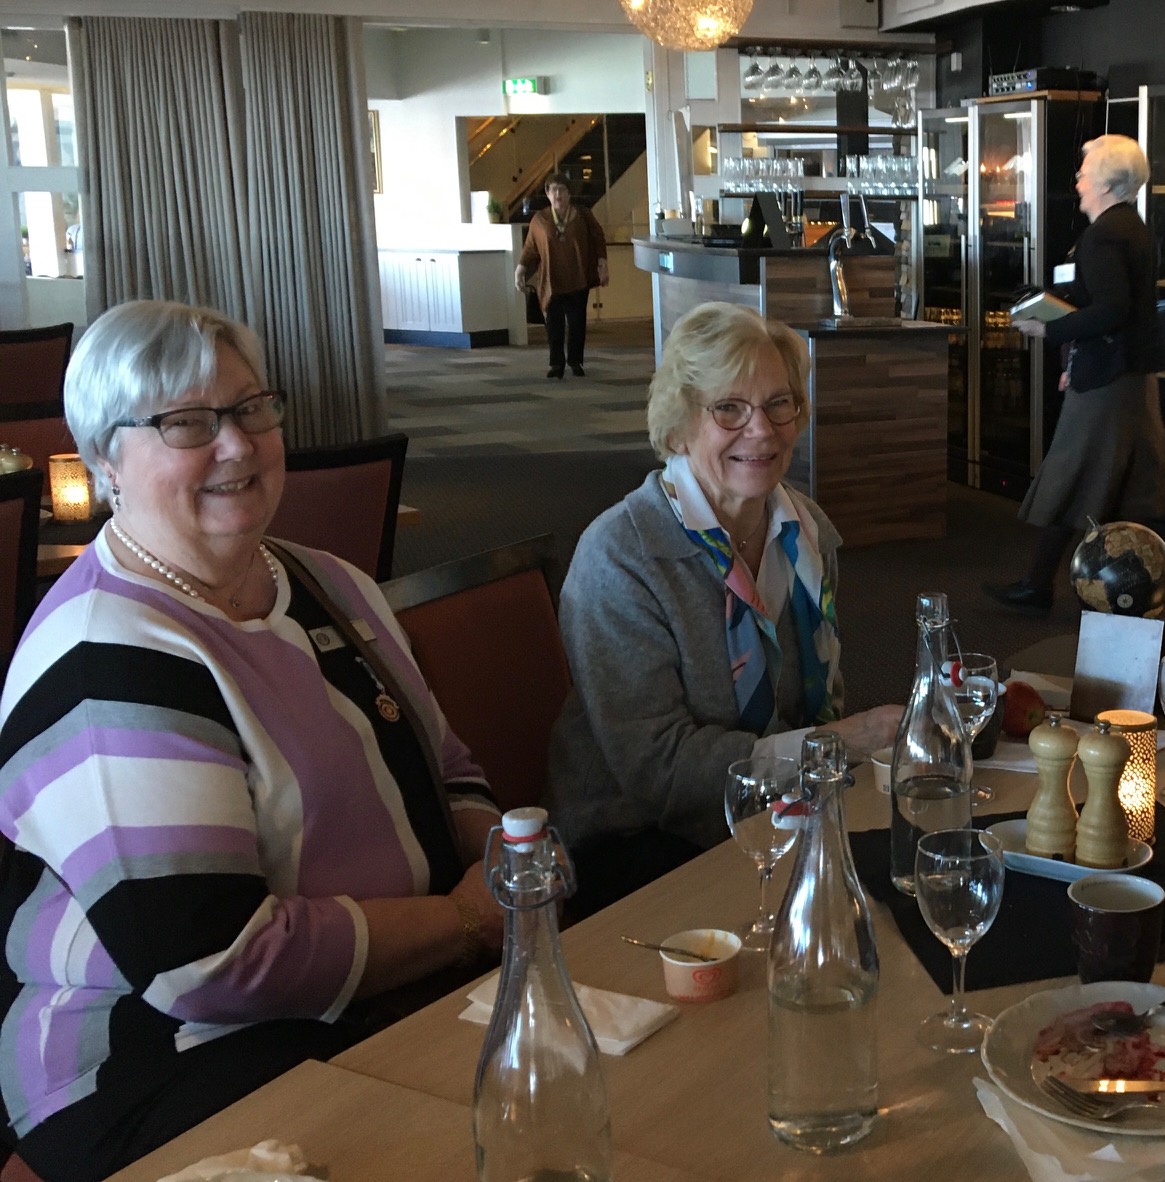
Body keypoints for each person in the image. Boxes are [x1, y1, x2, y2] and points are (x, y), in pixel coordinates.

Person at [0, 301, 507, 1182]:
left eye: (249, 408)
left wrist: (509, 865)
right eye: (186, 423)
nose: (235, 445)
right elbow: (211, 964)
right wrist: (465, 922)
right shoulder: (105, 659)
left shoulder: (328, 581)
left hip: (392, 986)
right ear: (107, 461)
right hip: (163, 1056)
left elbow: (447, 771)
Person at [547, 302, 899, 914]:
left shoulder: (808, 532)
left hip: (778, 814)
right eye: (729, 408)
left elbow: (820, 703)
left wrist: (826, 756)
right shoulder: (622, 556)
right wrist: (833, 746)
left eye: (778, 403)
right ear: (679, 427)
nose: (761, 430)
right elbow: (659, 772)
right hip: (636, 846)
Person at [985, 133, 1165, 613]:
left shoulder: (1104, 235)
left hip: (1108, 381)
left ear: (1107, 183)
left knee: (1074, 476)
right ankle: (1124, 589)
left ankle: (1042, 586)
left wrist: (1047, 328)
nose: (1077, 180)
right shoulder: (1134, 228)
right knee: (1117, 485)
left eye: (1085, 172)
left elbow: (1110, 311)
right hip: (1129, 375)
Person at [514, 172, 610, 380]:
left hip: (578, 277)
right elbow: (530, 247)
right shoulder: (540, 220)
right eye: (554, 190)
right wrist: (520, 268)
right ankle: (556, 363)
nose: (558, 194)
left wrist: (602, 264)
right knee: (554, 325)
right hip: (551, 280)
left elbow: (598, 238)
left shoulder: (583, 215)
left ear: (569, 193)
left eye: (562, 190)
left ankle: (575, 361)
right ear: (547, 194)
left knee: (576, 323)